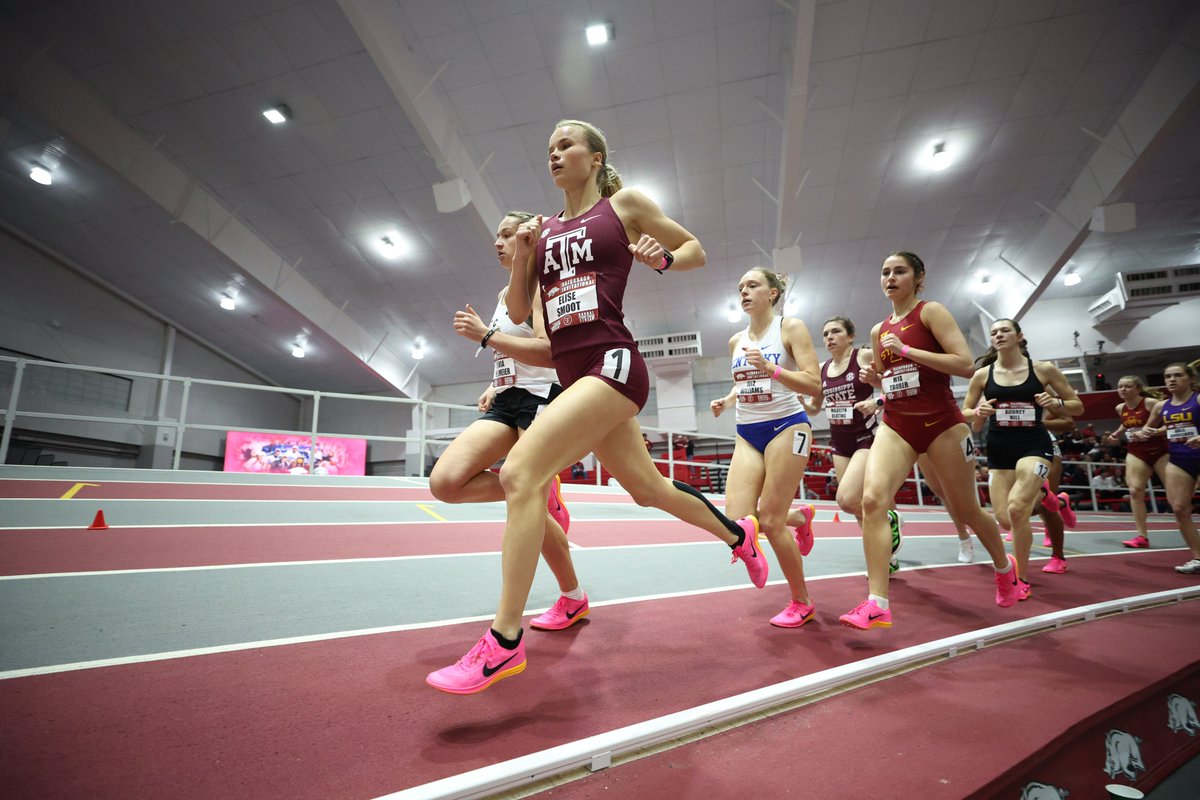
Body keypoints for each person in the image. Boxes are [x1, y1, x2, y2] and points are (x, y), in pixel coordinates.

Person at [426, 119, 764, 694]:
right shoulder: (544, 229)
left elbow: (696, 251)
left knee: (520, 473)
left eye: (566, 145)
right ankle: (739, 536)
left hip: (613, 362)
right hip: (572, 374)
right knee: (648, 489)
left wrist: (661, 259)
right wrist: (522, 256)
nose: (554, 155)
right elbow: (517, 311)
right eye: (549, 149)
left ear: (596, 156)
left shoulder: (623, 205)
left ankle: (504, 642)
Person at [838, 251, 1021, 630]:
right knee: (871, 501)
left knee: (967, 510)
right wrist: (877, 381)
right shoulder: (878, 330)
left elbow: (965, 364)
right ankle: (877, 602)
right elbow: (894, 381)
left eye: (899, 271)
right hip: (897, 424)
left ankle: (1005, 568)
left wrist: (905, 350)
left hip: (942, 423)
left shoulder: (931, 312)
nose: (890, 278)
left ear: (918, 278)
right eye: (885, 272)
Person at [429, 212, 581, 628]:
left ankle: (572, 598)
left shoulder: (547, 286)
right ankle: (538, 491)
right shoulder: (503, 294)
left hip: (542, 400)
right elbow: (511, 351)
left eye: (508, 234)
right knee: (446, 482)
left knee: (524, 502)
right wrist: (494, 385)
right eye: (496, 235)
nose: (498, 242)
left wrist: (484, 335)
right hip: (507, 399)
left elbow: (549, 353)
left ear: (530, 239)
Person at [710, 267, 821, 627]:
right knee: (737, 521)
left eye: (752, 285)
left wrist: (772, 370)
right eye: (740, 287)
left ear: (772, 293)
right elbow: (743, 382)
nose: (743, 291)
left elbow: (813, 384)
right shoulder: (736, 340)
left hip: (787, 425)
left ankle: (801, 601)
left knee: (771, 522)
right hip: (747, 431)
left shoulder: (790, 328)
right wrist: (727, 401)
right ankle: (799, 518)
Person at [963, 318, 1082, 599]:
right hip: (999, 448)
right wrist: (978, 412)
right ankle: (1052, 498)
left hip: (1034, 444)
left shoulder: (1043, 370)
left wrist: (1056, 403)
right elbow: (964, 412)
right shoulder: (982, 375)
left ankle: (1021, 579)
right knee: (1005, 520)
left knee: (1018, 508)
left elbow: (1077, 407)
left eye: (1005, 330)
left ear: (1019, 336)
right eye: (994, 332)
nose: (999, 335)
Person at [800, 316, 905, 569]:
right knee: (858, 507)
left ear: (850, 336)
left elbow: (894, 383)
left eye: (836, 331)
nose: (829, 337)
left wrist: (877, 402)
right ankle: (885, 557)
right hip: (840, 441)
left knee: (847, 500)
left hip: (866, 437)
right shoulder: (822, 368)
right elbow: (815, 408)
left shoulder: (864, 356)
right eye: (825, 334)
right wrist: (802, 403)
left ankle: (888, 519)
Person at [1134, 363, 1200, 573]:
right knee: (1179, 509)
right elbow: (1147, 429)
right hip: (1179, 459)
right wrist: (1142, 433)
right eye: (1168, 376)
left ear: (1191, 379)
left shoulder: (1198, 399)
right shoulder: (1161, 406)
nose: (1172, 380)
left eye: (1178, 375)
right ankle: (1198, 558)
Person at [1103, 376, 1170, 548]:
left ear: (1138, 389)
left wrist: (1154, 432)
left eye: (1128, 386)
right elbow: (1127, 424)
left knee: (1175, 496)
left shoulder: (1151, 403)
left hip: (1160, 451)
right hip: (1136, 451)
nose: (1123, 390)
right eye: (1120, 386)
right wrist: (1116, 434)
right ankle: (1142, 536)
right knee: (1135, 491)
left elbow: (1171, 424)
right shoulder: (1120, 408)